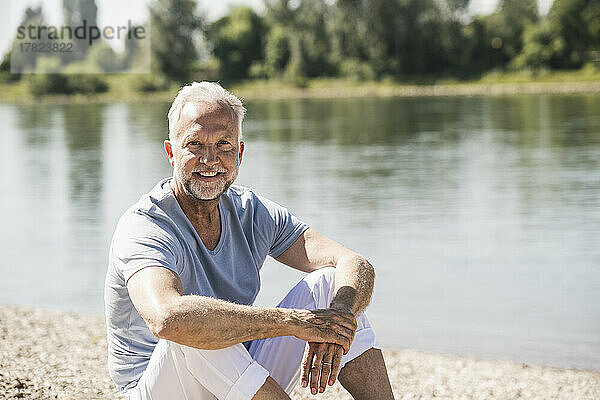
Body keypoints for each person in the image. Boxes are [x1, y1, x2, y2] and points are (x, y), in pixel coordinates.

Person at [104, 81, 395, 400]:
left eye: (223, 144)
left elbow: (354, 263)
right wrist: (295, 323)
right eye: (195, 144)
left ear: (239, 153)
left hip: (234, 382)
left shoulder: (251, 211)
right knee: (190, 328)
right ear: (171, 153)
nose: (210, 159)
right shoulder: (145, 225)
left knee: (329, 284)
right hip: (158, 388)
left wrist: (337, 319)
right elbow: (167, 318)